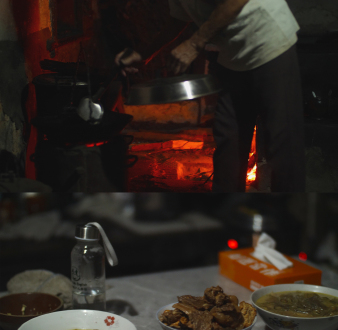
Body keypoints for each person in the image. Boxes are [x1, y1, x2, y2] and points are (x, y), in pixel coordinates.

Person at [115, 0, 305, 192]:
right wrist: (145, 55)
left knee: (282, 145)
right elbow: (177, 19)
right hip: (231, 59)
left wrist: (194, 44)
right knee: (228, 144)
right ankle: (226, 212)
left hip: (270, 45)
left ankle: (288, 215)